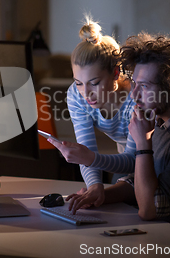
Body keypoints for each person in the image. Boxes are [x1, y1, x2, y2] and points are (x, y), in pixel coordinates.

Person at [65, 32, 170, 232]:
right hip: (157, 229)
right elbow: (139, 182)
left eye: (143, 86)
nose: (134, 94)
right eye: (134, 83)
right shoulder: (160, 119)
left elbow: (148, 210)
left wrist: (143, 144)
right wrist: (100, 196)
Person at [48, 16, 136, 209]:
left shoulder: (137, 97)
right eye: (78, 83)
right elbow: (86, 148)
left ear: (115, 73)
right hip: (123, 165)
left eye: (94, 83)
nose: (86, 93)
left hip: (156, 164)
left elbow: (135, 159)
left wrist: (90, 159)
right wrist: (94, 185)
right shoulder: (76, 95)